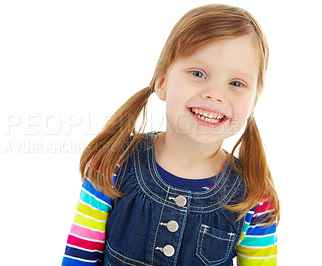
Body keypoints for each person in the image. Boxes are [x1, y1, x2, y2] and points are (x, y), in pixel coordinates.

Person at [62, 3, 280, 265]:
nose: (216, 94)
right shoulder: (113, 163)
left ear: (254, 100)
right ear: (162, 81)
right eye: (198, 73)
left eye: (236, 83)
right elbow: (79, 258)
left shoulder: (254, 197)